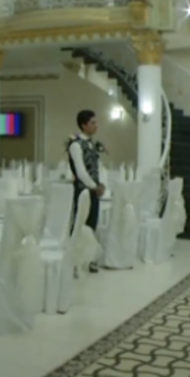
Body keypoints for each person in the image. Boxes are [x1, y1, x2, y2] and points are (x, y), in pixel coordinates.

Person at [67, 110, 104, 274]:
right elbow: (80, 171)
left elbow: (95, 168)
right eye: (92, 123)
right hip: (82, 191)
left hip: (92, 190)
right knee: (79, 225)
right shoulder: (75, 145)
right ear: (83, 125)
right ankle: (74, 261)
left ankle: (88, 260)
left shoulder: (92, 144)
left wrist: (99, 184)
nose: (96, 126)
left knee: (91, 225)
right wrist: (94, 186)